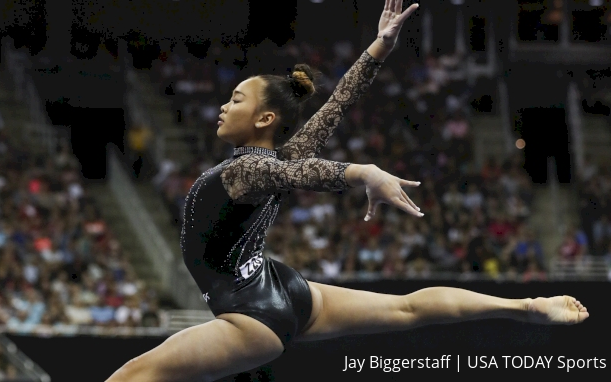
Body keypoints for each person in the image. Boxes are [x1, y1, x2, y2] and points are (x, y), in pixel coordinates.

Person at [106, 2, 589, 381]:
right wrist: (378, 48)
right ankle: (523, 308)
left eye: (235, 99)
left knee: (129, 376)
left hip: (249, 313)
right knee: (408, 308)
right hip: (283, 290)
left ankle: (525, 308)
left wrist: (360, 172)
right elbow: (335, 106)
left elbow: (302, 173)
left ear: (265, 119)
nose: (222, 106)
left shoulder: (249, 170)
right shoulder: (277, 159)